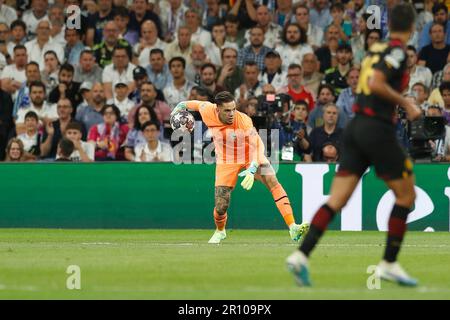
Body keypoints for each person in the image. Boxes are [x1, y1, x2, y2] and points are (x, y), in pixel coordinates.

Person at [286, 3, 422, 287]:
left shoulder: (376, 49)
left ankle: (301, 256)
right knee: (407, 197)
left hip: (356, 128)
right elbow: (375, 83)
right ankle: (389, 263)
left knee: (336, 200)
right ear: (412, 27)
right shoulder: (397, 50)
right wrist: (406, 102)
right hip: (377, 130)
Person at [171, 91, 309, 244]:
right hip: (226, 160)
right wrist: (178, 108)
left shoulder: (243, 120)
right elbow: (190, 104)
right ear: (217, 109)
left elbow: (258, 145)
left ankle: (292, 226)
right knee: (221, 205)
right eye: (227, 110)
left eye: (233, 109)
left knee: (272, 180)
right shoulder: (206, 109)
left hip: (250, 154)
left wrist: (252, 168)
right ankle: (220, 231)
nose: (231, 113)